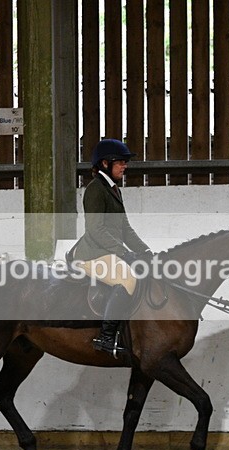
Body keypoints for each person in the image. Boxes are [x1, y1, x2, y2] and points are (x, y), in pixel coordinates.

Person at [72, 139, 152, 357]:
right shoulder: (95, 190)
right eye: (121, 162)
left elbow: (125, 228)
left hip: (108, 252)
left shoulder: (114, 189)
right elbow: (96, 229)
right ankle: (106, 337)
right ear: (105, 163)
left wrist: (145, 252)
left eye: (125, 162)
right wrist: (125, 253)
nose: (125, 166)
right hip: (92, 255)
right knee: (127, 279)